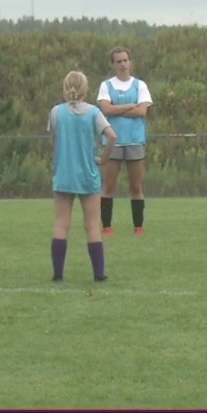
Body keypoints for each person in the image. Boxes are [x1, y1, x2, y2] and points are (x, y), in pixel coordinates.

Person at [47, 71, 117, 282]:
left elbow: (53, 140)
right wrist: (103, 159)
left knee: (61, 224)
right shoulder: (94, 112)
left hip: (64, 174)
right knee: (92, 225)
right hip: (88, 174)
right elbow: (112, 136)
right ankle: (98, 273)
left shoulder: (56, 112)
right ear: (86, 89)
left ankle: (58, 274)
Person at [97, 46, 153, 236]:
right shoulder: (106, 85)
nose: (123, 64)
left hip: (135, 141)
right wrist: (130, 105)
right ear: (113, 64)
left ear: (130, 62)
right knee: (109, 186)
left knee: (136, 186)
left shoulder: (140, 85)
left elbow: (142, 111)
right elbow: (105, 110)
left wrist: (118, 108)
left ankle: (138, 226)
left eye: (125, 60)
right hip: (113, 141)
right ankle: (106, 226)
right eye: (118, 61)